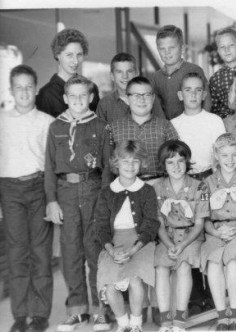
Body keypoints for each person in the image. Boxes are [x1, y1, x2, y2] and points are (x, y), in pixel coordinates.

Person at [44, 75, 112, 332]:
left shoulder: (101, 126)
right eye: (72, 96)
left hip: (93, 189)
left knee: (95, 252)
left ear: (91, 98)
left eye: (83, 95)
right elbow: (49, 168)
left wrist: (105, 201)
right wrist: (51, 201)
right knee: (70, 253)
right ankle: (76, 310)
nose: (78, 100)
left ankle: (100, 310)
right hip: (65, 192)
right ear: (64, 98)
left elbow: (106, 169)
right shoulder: (55, 127)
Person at [0, 65, 55, 332]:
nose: (24, 92)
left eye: (28, 87)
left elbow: (51, 164)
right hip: (9, 190)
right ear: (11, 90)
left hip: (37, 187)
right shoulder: (1, 119)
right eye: (18, 87)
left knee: (41, 254)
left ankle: (40, 314)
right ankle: (20, 315)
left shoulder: (46, 121)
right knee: (16, 253)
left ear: (35, 89)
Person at [92, 140, 160, 332]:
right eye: (125, 161)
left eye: (135, 161)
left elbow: (150, 224)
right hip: (113, 243)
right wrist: (111, 250)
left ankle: (136, 323)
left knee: (135, 279)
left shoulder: (147, 190)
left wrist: (134, 249)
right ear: (116, 164)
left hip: (140, 242)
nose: (130, 166)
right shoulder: (106, 193)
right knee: (110, 283)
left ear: (141, 164)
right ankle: (123, 324)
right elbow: (101, 226)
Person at [152, 140, 208, 332]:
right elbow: (158, 223)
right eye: (170, 162)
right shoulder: (156, 188)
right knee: (161, 267)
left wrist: (182, 245)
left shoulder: (201, 187)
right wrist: (168, 245)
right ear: (163, 165)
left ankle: (179, 320)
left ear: (187, 161)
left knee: (183, 266)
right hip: (166, 237)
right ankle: (165, 320)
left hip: (190, 237)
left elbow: (199, 224)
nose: (176, 166)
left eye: (180, 161)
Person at [201, 134, 236, 330]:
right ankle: (222, 316)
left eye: (234, 155)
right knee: (214, 262)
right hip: (215, 231)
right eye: (224, 155)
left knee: (232, 262)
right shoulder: (207, 182)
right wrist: (216, 232)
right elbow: (203, 219)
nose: (229, 160)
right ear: (216, 155)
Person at [110, 77, 180, 182]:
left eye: (147, 95)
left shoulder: (165, 126)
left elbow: (176, 159)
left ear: (153, 98)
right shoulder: (114, 128)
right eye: (136, 95)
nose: (142, 100)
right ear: (127, 99)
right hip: (126, 186)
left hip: (159, 184)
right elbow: (108, 165)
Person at [171, 73, 227, 180]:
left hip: (211, 177)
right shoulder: (173, 124)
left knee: (205, 197)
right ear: (180, 95)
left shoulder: (215, 121)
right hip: (184, 179)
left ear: (204, 95)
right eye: (188, 90)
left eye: (198, 90)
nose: (193, 94)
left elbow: (223, 153)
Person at [149, 25, 212, 119]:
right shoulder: (155, 77)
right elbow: (156, 107)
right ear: (158, 50)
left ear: (182, 48)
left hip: (193, 125)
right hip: (168, 129)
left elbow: (207, 101)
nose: (167, 52)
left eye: (171, 48)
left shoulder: (194, 70)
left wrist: (202, 122)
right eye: (162, 49)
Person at [36, 28, 100, 118]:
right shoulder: (47, 94)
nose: (75, 61)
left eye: (79, 55)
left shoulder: (91, 88)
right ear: (57, 55)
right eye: (69, 55)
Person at [96, 52, 165, 123]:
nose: (125, 76)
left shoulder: (149, 99)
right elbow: (99, 133)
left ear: (136, 74)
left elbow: (163, 128)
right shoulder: (105, 104)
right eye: (119, 72)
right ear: (112, 76)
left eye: (129, 71)